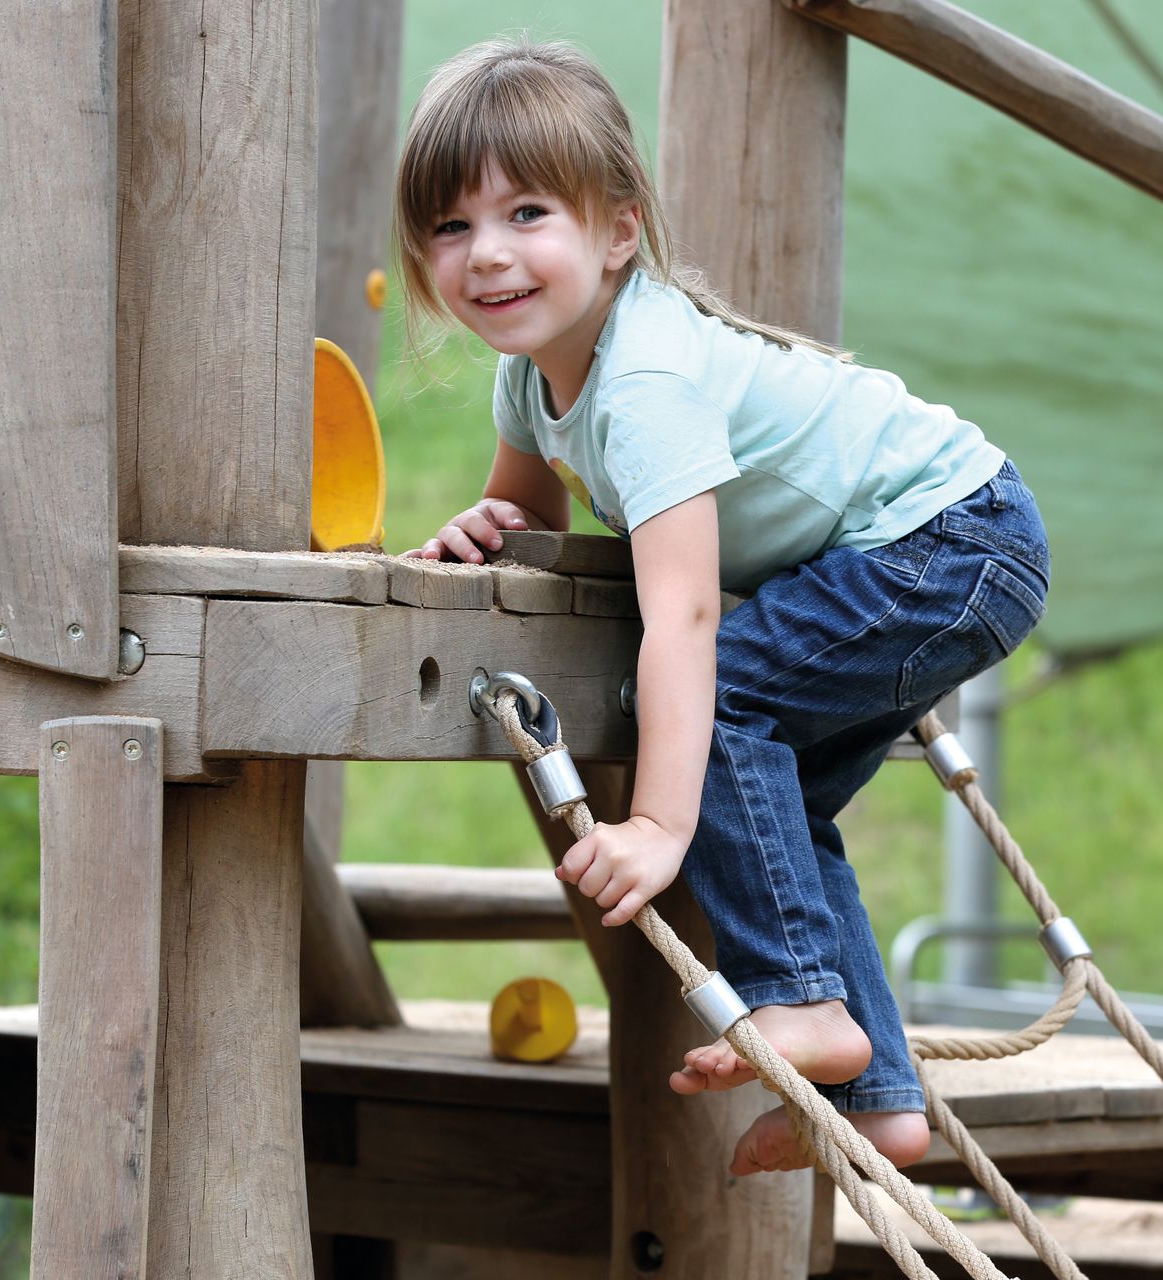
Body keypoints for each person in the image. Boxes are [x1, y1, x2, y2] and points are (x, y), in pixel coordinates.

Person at [394, 37, 1049, 1176]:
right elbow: (527, 509)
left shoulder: (646, 379)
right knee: (782, 804)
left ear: (618, 227)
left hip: (951, 538)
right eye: (452, 226)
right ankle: (881, 1096)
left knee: (722, 707)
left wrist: (655, 825)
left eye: (526, 213)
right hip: (948, 541)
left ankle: (799, 995)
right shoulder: (533, 370)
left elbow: (686, 619)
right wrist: (483, 525)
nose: (486, 254)